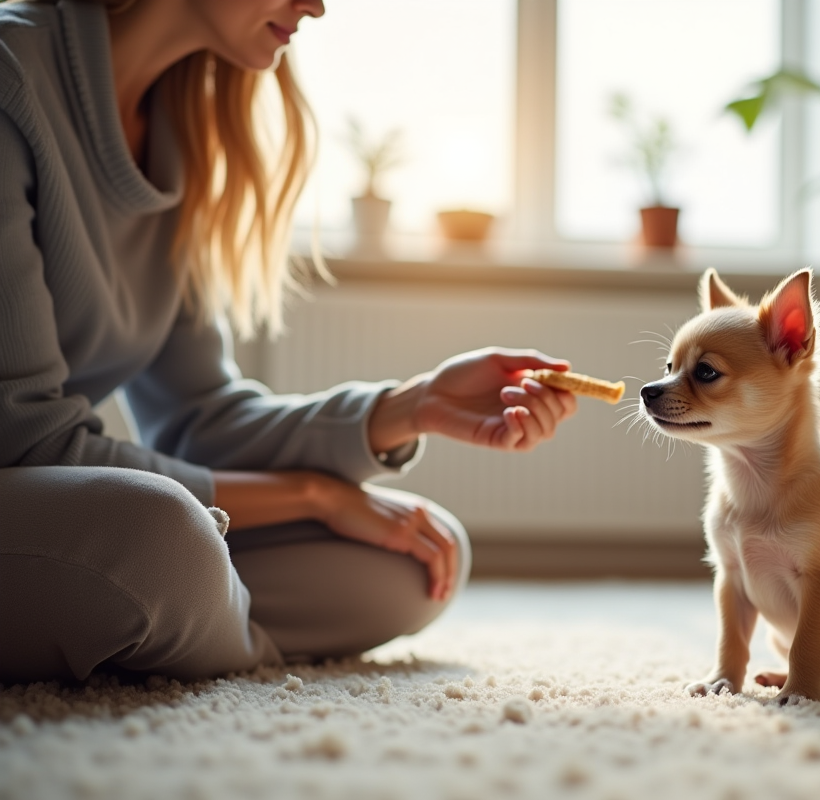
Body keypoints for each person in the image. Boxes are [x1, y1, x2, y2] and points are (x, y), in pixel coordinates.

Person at [0, 0, 578, 683]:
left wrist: (413, 405)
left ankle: (166, 624)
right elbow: (31, 446)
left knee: (413, 558)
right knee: (160, 537)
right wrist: (314, 495)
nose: (318, 5)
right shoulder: (13, 81)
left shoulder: (177, 127)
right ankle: (181, 623)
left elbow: (198, 418)